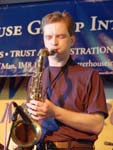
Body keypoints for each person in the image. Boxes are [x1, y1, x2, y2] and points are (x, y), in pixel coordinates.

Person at [26, 11, 108, 150]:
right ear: (44, 40)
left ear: (72, 40)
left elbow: (97, 125)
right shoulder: (36, 77)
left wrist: (55, 112)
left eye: (60, 36)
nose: (54, 42)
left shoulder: (89, 75)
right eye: (49, 37)